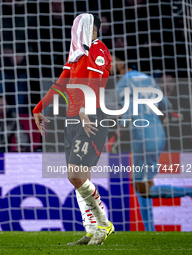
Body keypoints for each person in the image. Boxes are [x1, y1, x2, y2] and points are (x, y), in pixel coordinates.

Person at [33, 13, 114, 245]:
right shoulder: (76, 54)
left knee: (75, 175)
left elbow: (94, 83)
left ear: (90, 28)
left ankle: (104, 224)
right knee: (80, 178)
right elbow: (61, 83)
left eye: (79, 26)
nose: (75, 30)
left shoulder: (98, 49)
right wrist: (39, 107)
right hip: (73, 119)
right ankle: (91, 230)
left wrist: (83, 108)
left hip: (91, 117)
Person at [111, 55, 192, 231]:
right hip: (158, 135)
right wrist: (170, 114)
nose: (109, 64)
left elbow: (130, 108)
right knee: (143, 183)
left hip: (142, 137)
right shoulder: (148, 79)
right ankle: (149, 229)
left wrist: (120, 129)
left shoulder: (122, 83)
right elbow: (166, 105)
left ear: (122, 62)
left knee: (141, 186)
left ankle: (189, 192)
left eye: (112, 59)